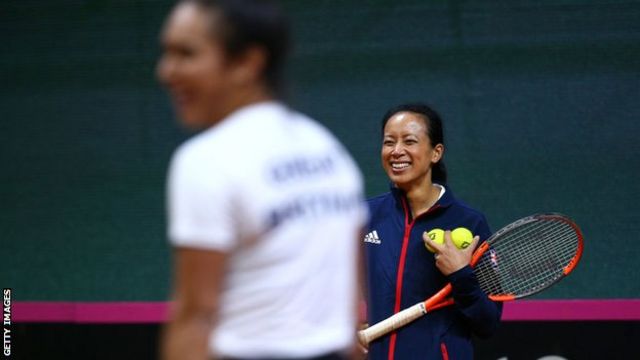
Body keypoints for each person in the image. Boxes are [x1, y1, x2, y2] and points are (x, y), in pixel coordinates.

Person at [156, 1, 368, 359]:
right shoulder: (329, 151)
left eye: (186, 54)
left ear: (247, 63)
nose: (166, 71)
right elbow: (347, 316)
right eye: (167, 53)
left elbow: (196, 319)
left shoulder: (205, 160)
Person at [362, 103, 502, 359]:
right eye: (389, 142)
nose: (396, 151)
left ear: (436, 153)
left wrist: (461, 275)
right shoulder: (365, 217)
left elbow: (488, 322)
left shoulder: (470, 223)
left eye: (410, 141)